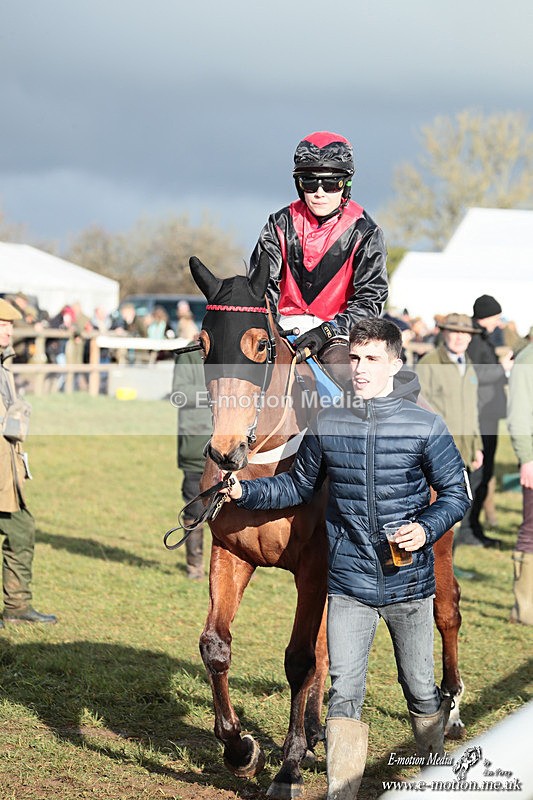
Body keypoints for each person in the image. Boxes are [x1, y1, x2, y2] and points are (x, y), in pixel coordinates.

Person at [223, 318, 470, 798]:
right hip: (350, 584)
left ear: (395, 364)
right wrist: (244, 489)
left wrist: (426, 528)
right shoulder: (328, 422)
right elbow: (297, 486)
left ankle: (434, 772)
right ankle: (342, 791)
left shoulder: (426, 424)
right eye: (355, 358)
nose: (359, 368)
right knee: (344, 695)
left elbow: (456, 494)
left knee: (420, 689)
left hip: (408, 583)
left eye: (372, 359)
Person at [248, 131, 388, 388]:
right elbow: (260, 288)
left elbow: (371, 300)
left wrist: (328, 330)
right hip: (282, 328)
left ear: (346, 184)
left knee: (353, 378)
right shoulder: (278, 224)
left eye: (331, 183)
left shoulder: (366, 231)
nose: (319, 193)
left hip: (339, 334)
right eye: (309, 183)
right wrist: (271, 327)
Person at [417, 313, 499, 549]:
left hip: (465, 451)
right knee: (435, 514)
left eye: (465, 333)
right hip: (437, 453)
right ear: (444, 333)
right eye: (454, 331)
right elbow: (420, 410)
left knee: (456, 513)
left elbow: (471, 410)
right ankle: (434, 573)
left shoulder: (467, 364)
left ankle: (448, 567)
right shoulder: (429, 364)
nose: (460, 337)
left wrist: (477, 447)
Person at [0, 299, 57, 627]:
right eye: (2, 324)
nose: (8, 330)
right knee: (21, 529)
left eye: (10, 325)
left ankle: (18, 607)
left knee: (21, 529)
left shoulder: (4, 365)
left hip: (7, 468)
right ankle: (17, 607)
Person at [466, 295, 514, 541]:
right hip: (480, 416)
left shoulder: (480, 338)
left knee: (485, 474)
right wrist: (502, 369)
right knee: (477, 475)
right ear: (486, 316)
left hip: (488, 414)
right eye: (496, 316)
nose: (498, 321)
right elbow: (474, 375)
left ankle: (474, 528)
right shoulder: (474, 341)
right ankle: (467, 530)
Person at [172, 343, 212, 580]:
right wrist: (218, 392)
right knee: (195, 506)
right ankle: (194, 565)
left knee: (233, 508)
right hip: (196, 444)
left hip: (229, 445)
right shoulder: (188, 355)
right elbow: (180, 393)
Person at [506, 337, 533, 626]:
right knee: (531, 528)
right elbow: (520, 415)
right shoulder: (528, 358)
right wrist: (527, 458)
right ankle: (526, 609)